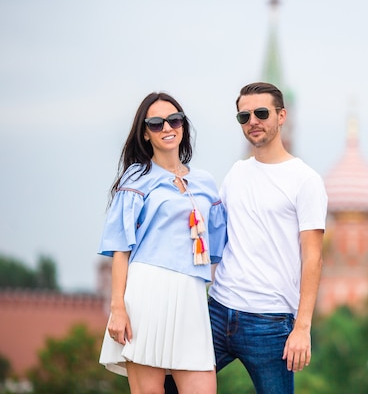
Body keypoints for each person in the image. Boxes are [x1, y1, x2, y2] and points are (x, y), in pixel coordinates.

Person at [97, 92, 227, 394]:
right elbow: (121, 248)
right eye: (156, 123)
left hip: (192, 296)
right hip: (147, 294)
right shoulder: (136, 179)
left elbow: (218, 250)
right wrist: (118, 308)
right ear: (145, 132)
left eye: (174, 120)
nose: (167, 127)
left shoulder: (206, 182)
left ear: (183, 125)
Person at [207, 81, 328, 394]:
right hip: (218, 311)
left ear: (282, 115)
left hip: (270, 321)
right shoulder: (236, 173)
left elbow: (313, 256)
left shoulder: (305, 180)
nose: (253, 122)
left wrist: (302, 327)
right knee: (169, 383)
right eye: (244, 117)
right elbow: (214, 236)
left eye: (261, 113)